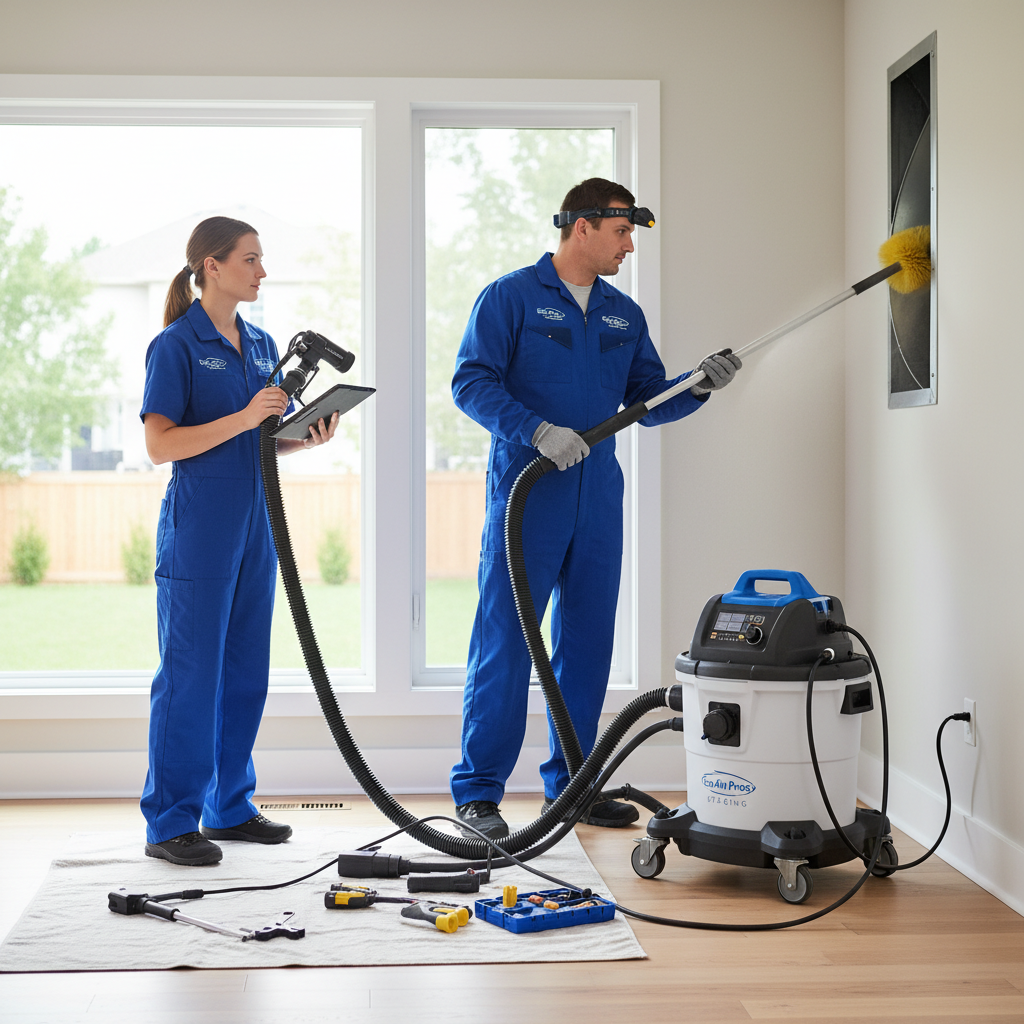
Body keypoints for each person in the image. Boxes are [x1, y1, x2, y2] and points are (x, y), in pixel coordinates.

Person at [449, 178, 741, 839]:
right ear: (581, 227)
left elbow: (648, 401)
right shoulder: (511, 297)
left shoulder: (622, 315)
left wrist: (700, 386)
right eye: (620, 231)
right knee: (506, 642)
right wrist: (536, 431)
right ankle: (478, 793)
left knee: (586, 646)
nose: (628, 246)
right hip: (528, 493)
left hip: (597, 500)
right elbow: (470, 381)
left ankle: (572, 787)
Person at [140, 216, 339, 865]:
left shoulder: (260, 343)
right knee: (190, 676)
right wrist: (246, 416)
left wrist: (298, 436)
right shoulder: (175, 345)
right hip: (200, 527)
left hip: (256, 522)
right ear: (212, 266)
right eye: (250, 259)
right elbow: (160, 443)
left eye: (261, 258)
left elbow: (256, 435)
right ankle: (170, 821)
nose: (261, 271)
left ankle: (228, 806)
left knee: (245, 671)